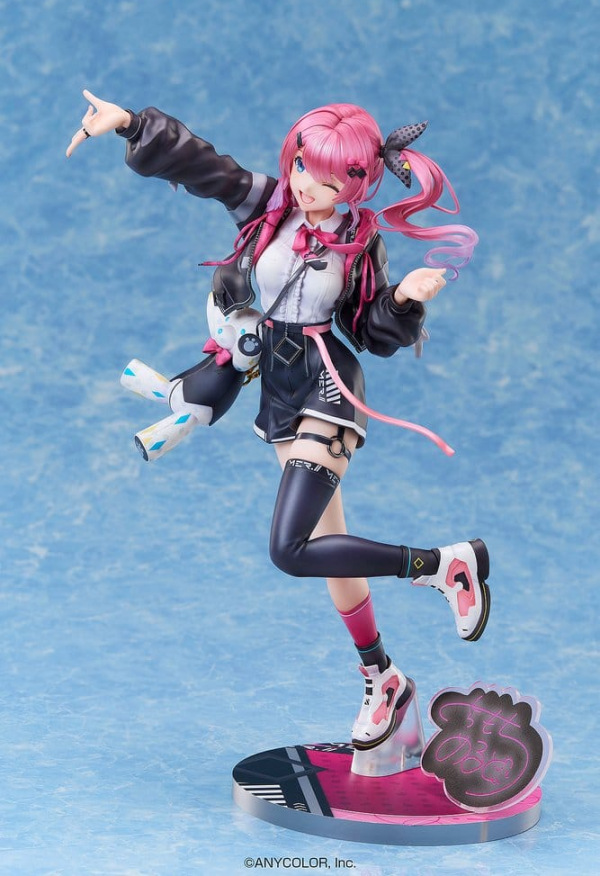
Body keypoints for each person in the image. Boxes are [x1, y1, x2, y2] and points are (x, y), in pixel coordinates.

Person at [67, 92, 490, 752]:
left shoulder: (358, 241)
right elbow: (202, 164)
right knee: (329, 551)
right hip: (280, 388)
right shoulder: (266, 205)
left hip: (326, 386)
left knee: (290, 549)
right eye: (301, 167)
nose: (309, 187)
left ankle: (441, 564)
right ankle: (383, 678)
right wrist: (132, 124)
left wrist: (404, 301)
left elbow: (367, 329)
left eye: (329, 180)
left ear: (356, 183)